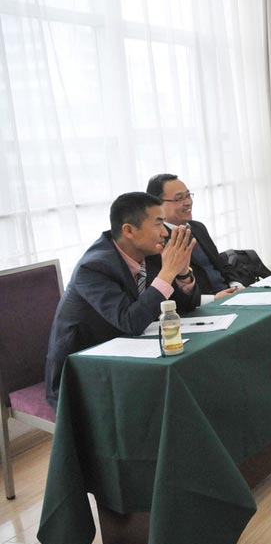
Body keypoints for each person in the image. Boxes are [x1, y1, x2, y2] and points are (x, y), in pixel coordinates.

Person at [45, 192, 199, 407]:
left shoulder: (152, 254)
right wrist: (167, 273)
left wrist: (182, 273)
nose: (165, 232)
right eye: (158, 224)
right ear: (129, 230)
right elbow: (131, 322)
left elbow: (187, 306)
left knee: (191, 375)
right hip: (82, 374)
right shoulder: (93, 268)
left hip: (129, 354)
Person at [146, 174, 239, 303]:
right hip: (201, 306)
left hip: (228, 294)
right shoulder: (157, 241)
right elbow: (170, 293)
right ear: (157, 205)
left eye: (188, 195)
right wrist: (213, 298)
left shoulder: (197, 227)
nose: (188, 202)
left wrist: (236, 285)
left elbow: (220, 263)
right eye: (179, 199)